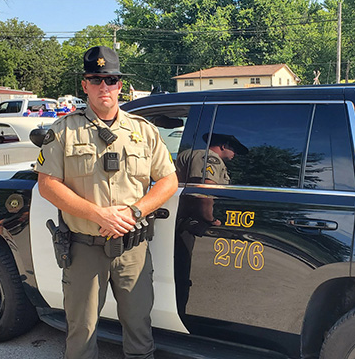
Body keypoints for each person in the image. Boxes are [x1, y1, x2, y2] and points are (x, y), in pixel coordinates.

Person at [34, 46, 178, 359]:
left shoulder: (144, 132)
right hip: (84, 249)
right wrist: (99, 214)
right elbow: (47, 185)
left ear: (120, 85)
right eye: (96, 79)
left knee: (139, 328)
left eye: (110, 79)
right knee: (81, 333)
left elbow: (169, 180)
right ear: (84, 85)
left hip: (132, 249)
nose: (104, 87)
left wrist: (135, 211)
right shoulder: (63, 132)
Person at [173, 133, 247, 315]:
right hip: (185, 222)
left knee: (181, 271)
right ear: (223, 145)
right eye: (234, 149)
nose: (235, 154)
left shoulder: (198, 155)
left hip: (181, 220)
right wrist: (210, 219)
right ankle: (179, 314)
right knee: (181, 272)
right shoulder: (209, 157)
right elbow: (205, 190)